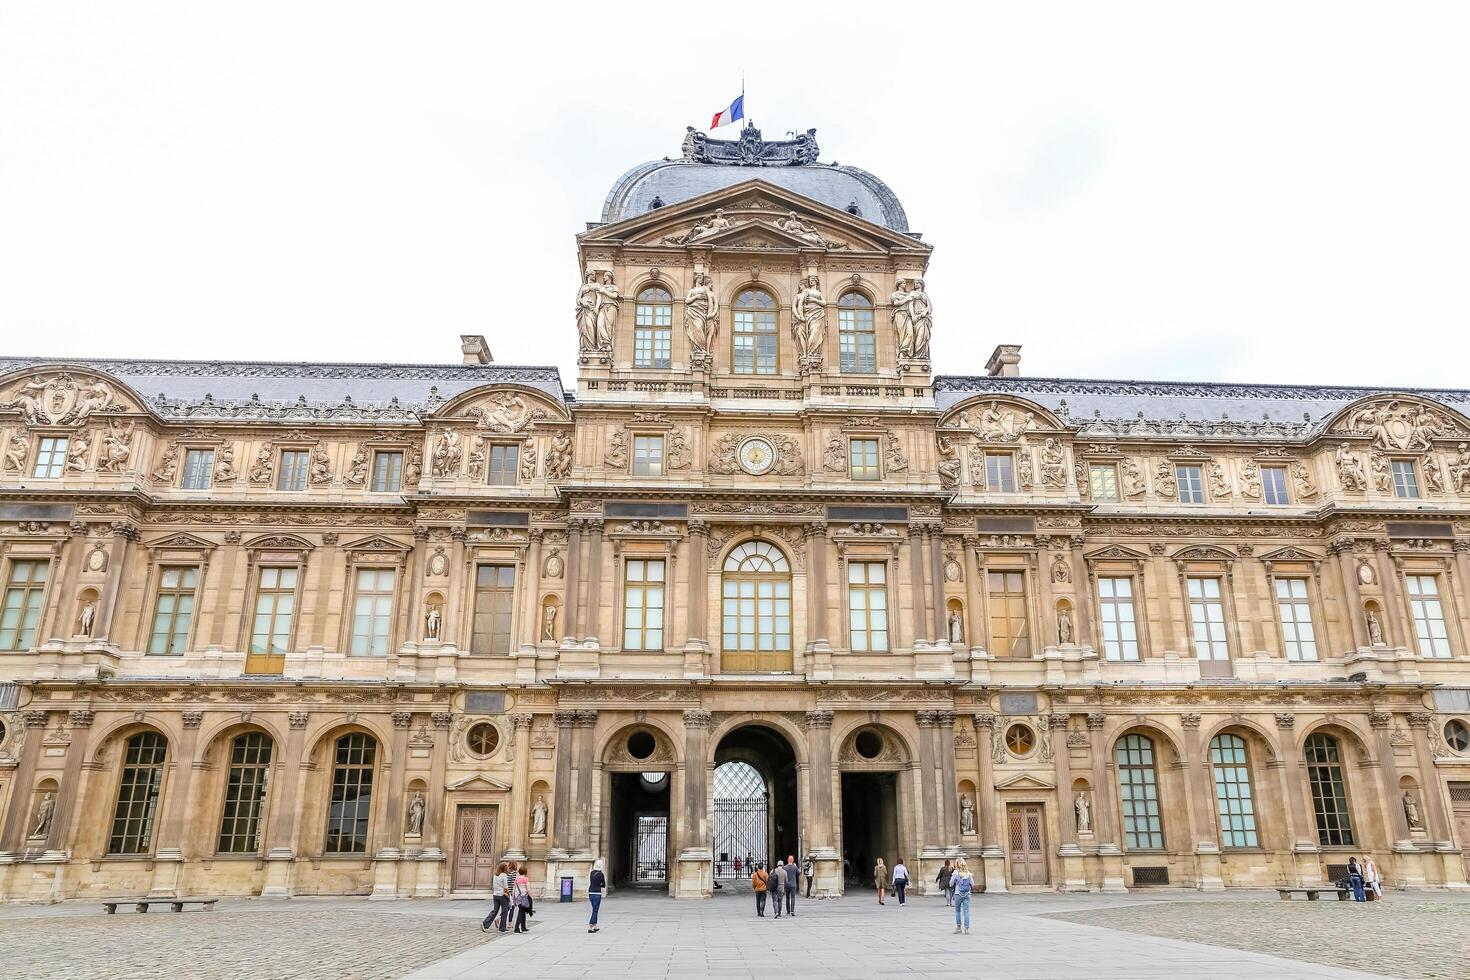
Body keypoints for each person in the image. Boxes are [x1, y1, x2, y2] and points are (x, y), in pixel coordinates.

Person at [951, 857, 975, 934]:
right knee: (966, 911)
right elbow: (972, 884)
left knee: (958, 911)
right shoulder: (968, 873)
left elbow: (950, 883)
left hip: (958, 893)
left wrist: (956, 881)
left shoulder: (955, 873)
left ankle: (958, 928)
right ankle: (967, 929)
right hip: (967, 893)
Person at [483, 862, 508, 932]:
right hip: (502, 895)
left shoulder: (495, 875)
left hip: (495, 895)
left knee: (495, 910)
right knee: (505, 910)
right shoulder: (504, 875)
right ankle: (502, 928)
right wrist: (508, 894)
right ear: (504, 868)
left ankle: (485, 923)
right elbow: (506, 887)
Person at [588, 859, 606, 933]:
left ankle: (595, 926)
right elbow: (604, 885)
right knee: (595, 910)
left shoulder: (591, 873)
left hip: (590, 892)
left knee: (594, 909)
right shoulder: (601, 874)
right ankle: (590, 926)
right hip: (597, 894)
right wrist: (600, 885)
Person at [512, 865, 532, 932]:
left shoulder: (516, 879)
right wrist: (531, 897)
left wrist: (513, 899)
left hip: (517, 897)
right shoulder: (526, 879)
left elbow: (513, 890)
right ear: (525, 872)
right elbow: (528, 889)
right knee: (521, 912)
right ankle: (516, 928)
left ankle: (523, 927)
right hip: (524, 897)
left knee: (522, 911)